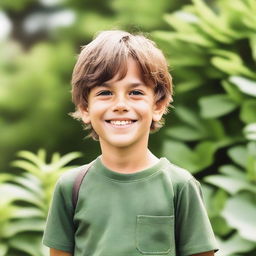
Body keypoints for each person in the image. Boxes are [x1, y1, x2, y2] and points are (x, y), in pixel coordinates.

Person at [42, 30, 219, 256]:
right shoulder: (71, 188)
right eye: (105, 92)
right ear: (85, 108)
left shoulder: (179, 186)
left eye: (135, 92)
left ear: (158, 106)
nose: (120, 105)